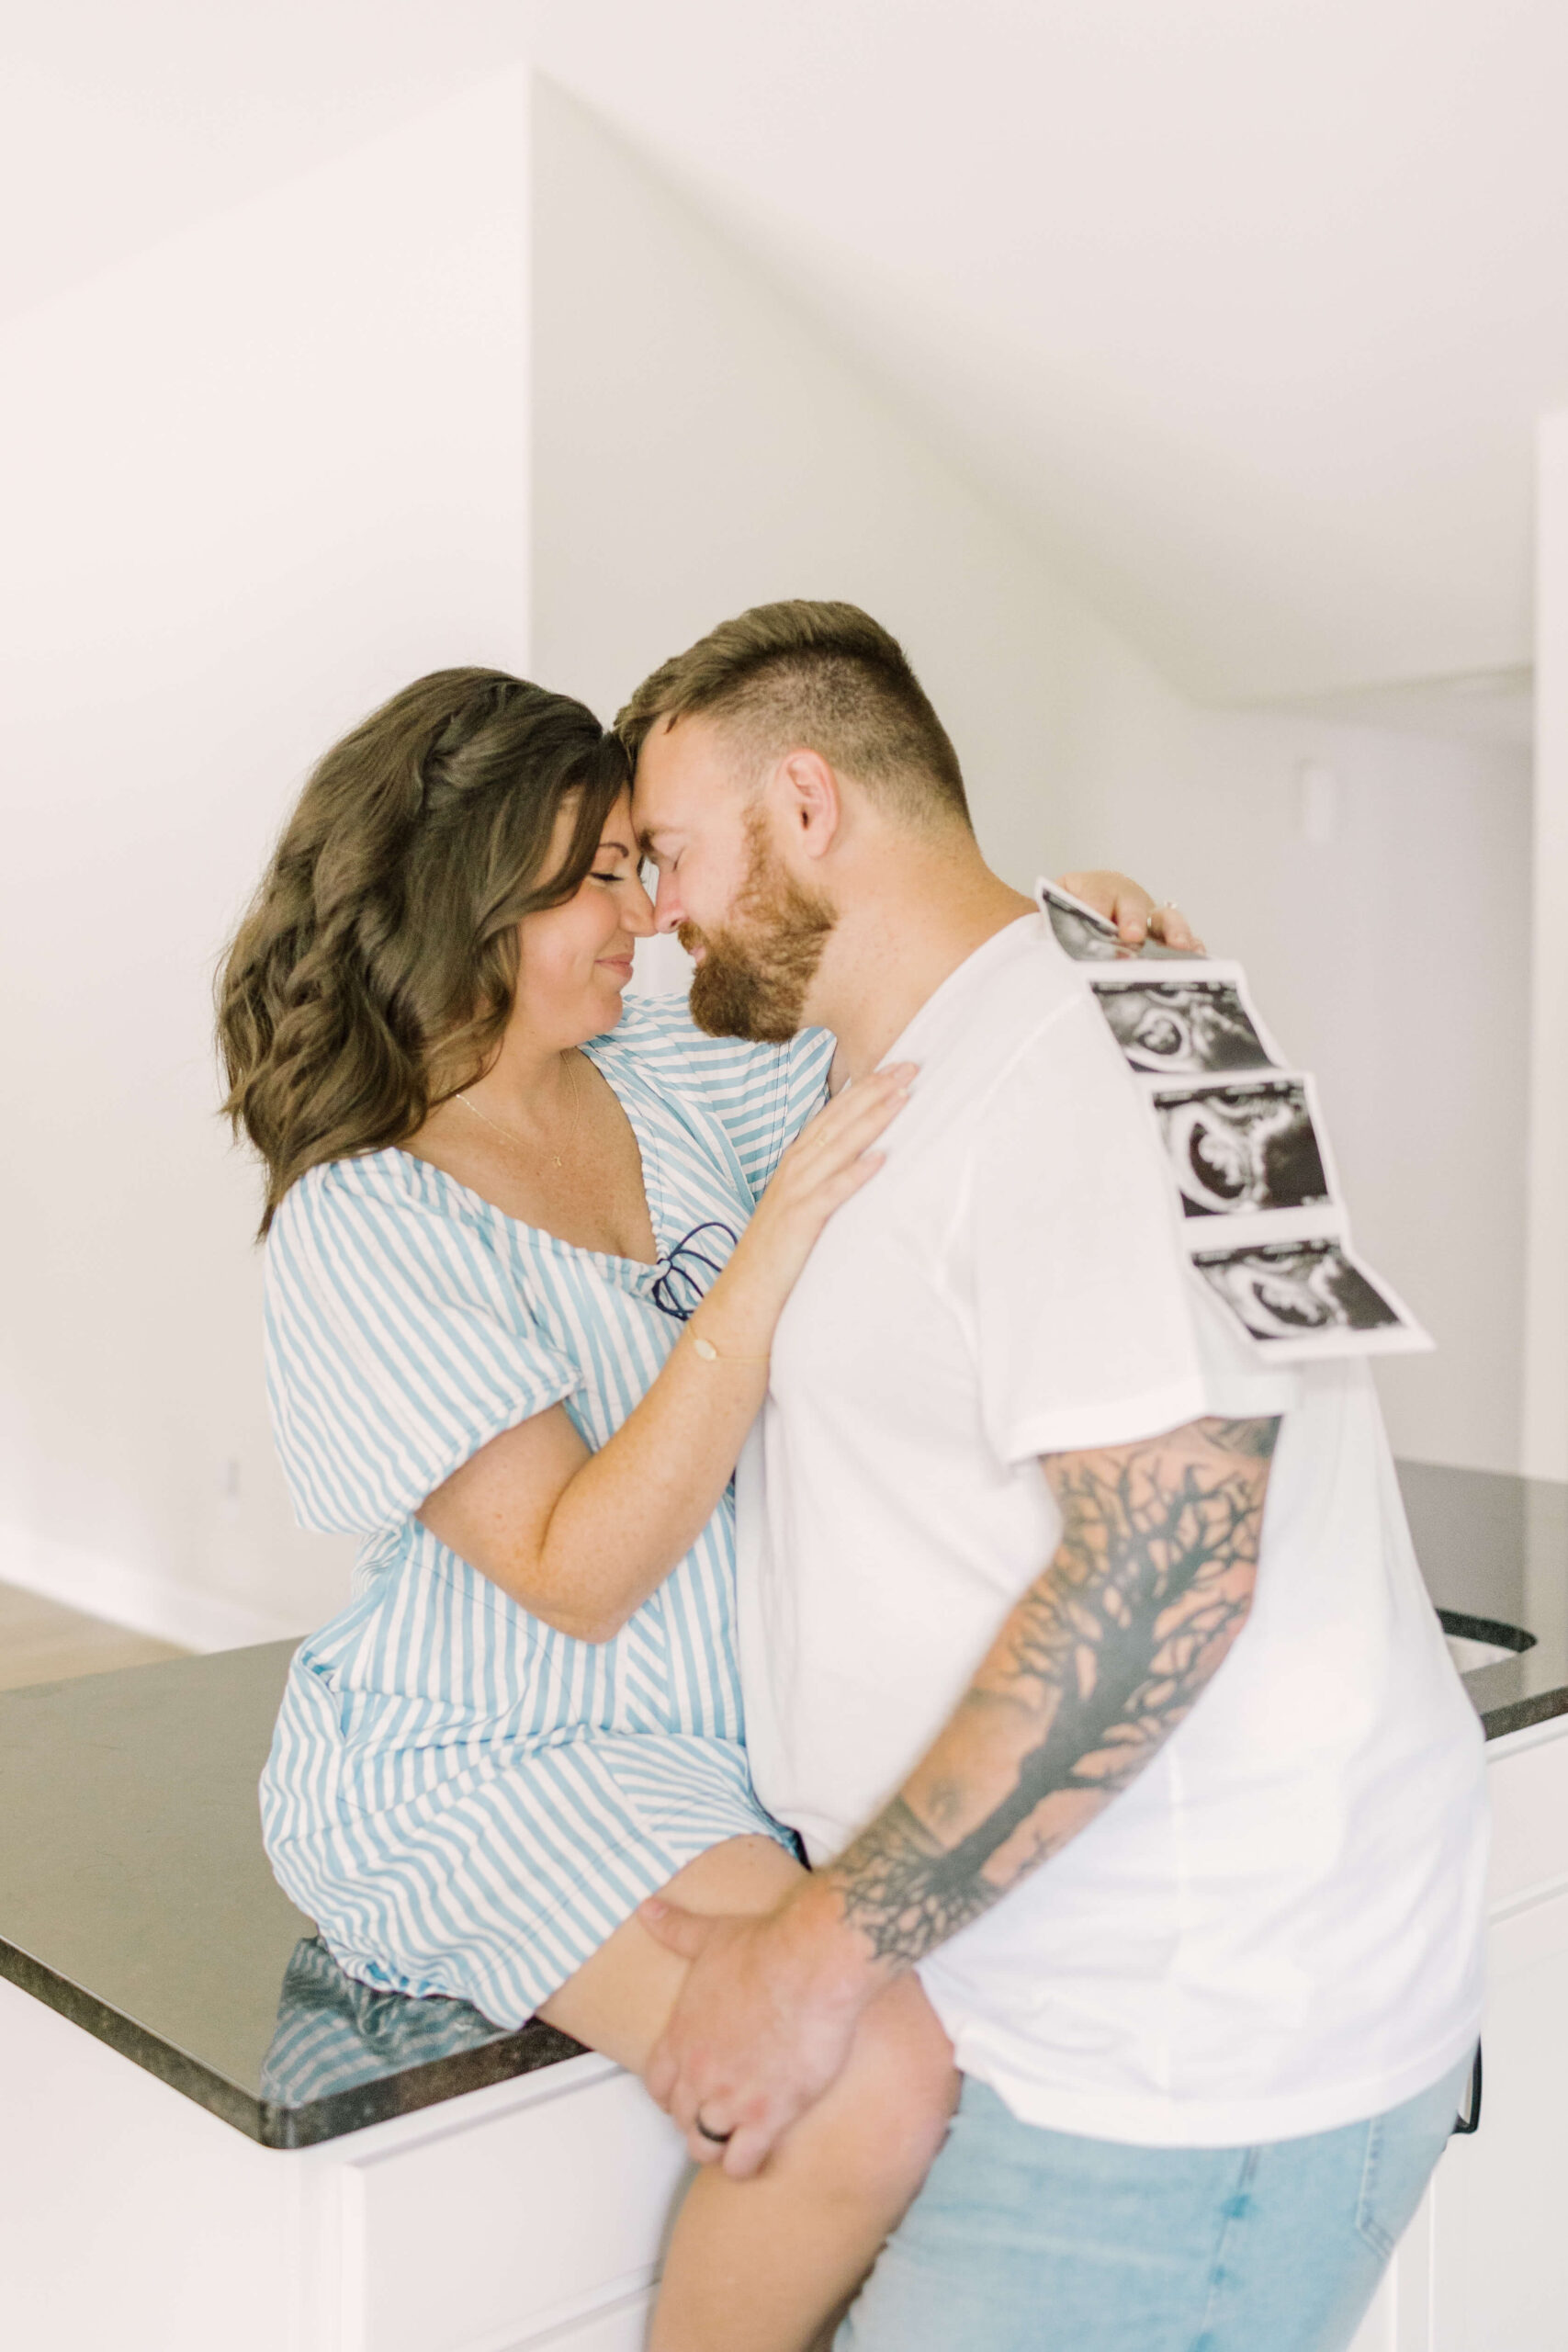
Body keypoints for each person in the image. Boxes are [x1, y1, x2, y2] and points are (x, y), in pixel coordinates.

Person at [218, 667, 1185, 2352]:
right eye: (600, 875)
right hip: (494, 1758)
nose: (648, 914)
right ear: (469, 899)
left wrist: (1060, 927)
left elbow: (905, 1013)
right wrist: (768, 1251)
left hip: (727, 1746)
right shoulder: (362, 1222)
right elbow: (574, 1574)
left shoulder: (670, 1077)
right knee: (862, 2080)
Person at [611, 600, 1490, 2352]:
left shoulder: (1068, 1063)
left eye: (669, 852)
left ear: (806, 802)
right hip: (1076, 2009)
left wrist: (806, 1963)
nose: (658, 914)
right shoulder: (1095, 1003)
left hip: (1178, 2066)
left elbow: (1167, 1565)